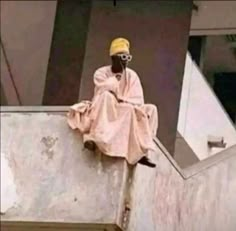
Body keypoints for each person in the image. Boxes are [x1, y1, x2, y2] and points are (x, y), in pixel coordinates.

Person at [67, 38, 158, 168]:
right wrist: (117, 78)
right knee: (106, 96)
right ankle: (97, 138)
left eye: (127, 57)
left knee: (151, 109)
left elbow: (138, 99)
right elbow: (104, 89)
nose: (125, 60)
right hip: (107, 107)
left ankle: (141, 152)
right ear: (113, 58)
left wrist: (124, 100)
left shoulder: (132, 75)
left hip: (127, 106)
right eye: (122, 57)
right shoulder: (101, 73)